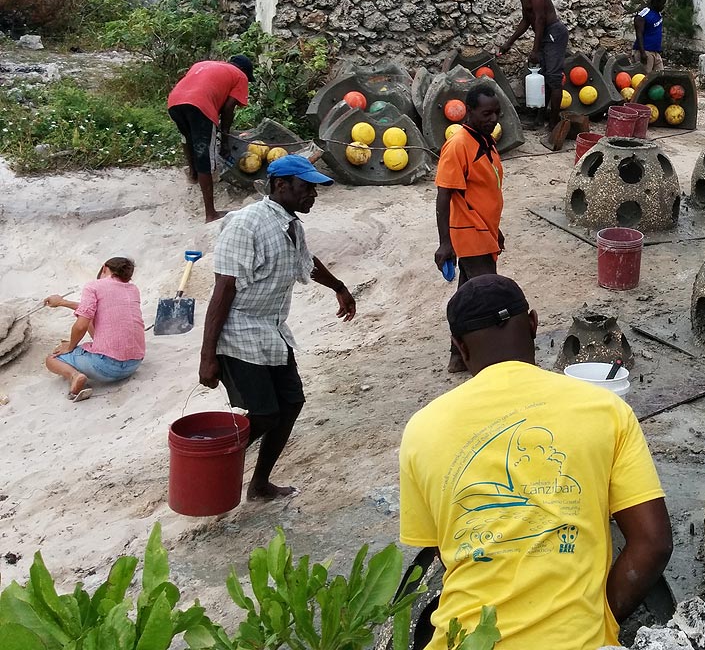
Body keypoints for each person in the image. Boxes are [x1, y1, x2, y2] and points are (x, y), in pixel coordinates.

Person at [399, 274, 673, 649]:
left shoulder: (421, 430)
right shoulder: (606, 410)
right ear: (533, 323)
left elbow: (446, 554)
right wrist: (600, 618)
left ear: (459, 346)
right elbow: (653, 544)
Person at [199, 155, 356, 501]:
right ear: (280, 185)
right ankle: (206, 463)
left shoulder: (291, 225)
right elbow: (223, 289)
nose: (312, 195)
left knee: (291, 403)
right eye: (306, 188)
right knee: (266, 414)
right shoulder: (246, 224)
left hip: (271, 331)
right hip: (238, 333)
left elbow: (306, 262)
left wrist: (339, 287)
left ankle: (258, 485)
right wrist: (207, 356)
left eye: (314, 189)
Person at [434, 84, 505, 373]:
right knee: (490, 295)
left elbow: (487, 191)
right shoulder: (459, 144)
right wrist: (445, 243)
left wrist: (495, 230)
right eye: (486, 113)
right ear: (469, 112)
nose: (493, 119)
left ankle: (457, 356)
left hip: (484, 231)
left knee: (467, 294)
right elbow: (444, 195)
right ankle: (488, 356)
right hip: (468, 232)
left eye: (496, 113)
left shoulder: (485, 142)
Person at [44, 257, 145, 403]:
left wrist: (70, 346)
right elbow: (96, 309)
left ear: (104, 268)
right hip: (134, 364)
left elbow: (81, 325)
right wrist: (62, 302)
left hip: (108, 366)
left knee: (51, 360)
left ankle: (74, 376)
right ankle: (84, 356)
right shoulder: (133, 289)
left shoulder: (94, 286)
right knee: (90, 315)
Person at [167, 55, 254, 223]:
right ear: (244, 71)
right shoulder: (239, 75)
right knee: (204, 154)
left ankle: (193, 175)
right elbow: (229, 107)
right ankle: (211, 213)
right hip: (200, 106)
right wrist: (225, 138)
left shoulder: (203, 63)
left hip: (175, 101)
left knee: (188, 138)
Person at [496, 0, 569, 140]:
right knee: (543, 78)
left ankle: (553, 125)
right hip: (544, 35)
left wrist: (535, 50)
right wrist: (509, 42)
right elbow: (526, 21)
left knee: (554, 78)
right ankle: (539, 119)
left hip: (553, 33)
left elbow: (540, 19)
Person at [634, 0, 679, 73]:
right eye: (662, 4)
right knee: (644, 80)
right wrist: (643, 53)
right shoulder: (643, 15)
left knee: (660, 78)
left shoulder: (657, 10)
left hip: (655, 53)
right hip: (645, 53)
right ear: (655, 2)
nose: (663, 6)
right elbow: (639, 34)